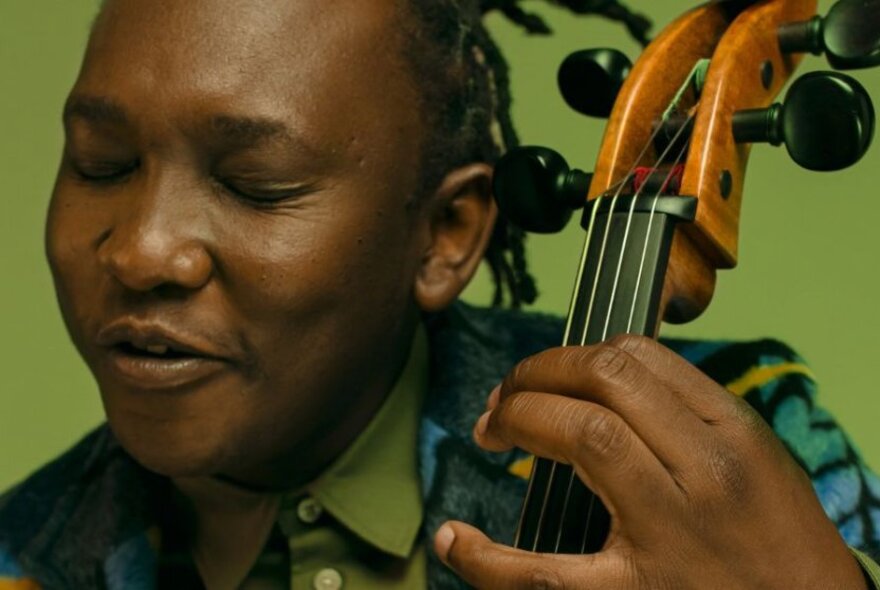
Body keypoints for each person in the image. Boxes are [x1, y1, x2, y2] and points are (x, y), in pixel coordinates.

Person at [1, 0, 879, 588]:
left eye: (256, 183)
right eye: (101, 165)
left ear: (449, 234)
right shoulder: (23, 555)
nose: (143, 250)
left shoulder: (735, 449)